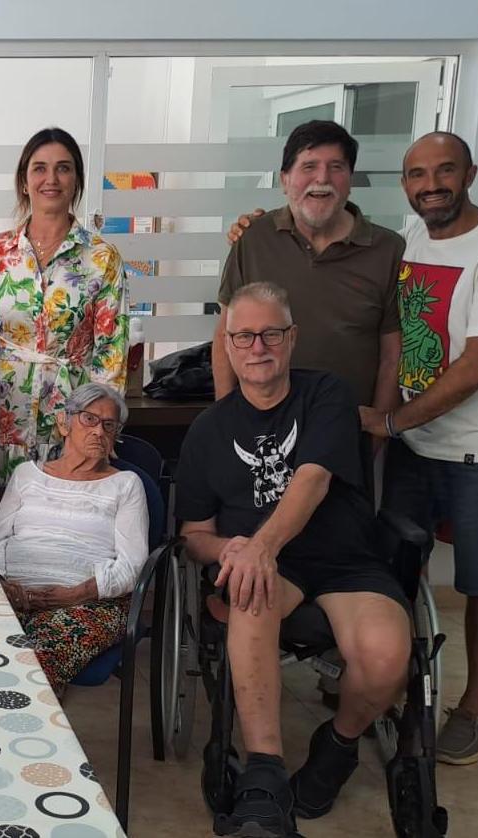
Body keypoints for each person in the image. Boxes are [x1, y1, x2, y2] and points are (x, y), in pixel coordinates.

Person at [176, 282, 411, 837]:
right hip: (267, 571)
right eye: (244, 336)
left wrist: (261, 545)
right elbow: (193, 535)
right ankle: (265, 777)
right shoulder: (209, 430)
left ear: (292, 338)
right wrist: (231, 549)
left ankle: (339, 744)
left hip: (345, 559)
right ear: (227, 345)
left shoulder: (326, 394)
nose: (257, 347)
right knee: (249, 589)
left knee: (386, 658)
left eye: (271, 334)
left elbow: (312, 479)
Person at [361, 132, 478, 765]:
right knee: (396, 567)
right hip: (416, 441)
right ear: (405, 183)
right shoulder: (411, 238)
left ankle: (474, 710)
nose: (430, 185)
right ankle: (386, 683)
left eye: (444, 171)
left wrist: (391, 421)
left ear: (470, 173)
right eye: (417, 174)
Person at [0, 127, 130, 486]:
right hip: (2, 416)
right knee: (2, 514)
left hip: (71, 421)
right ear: (24, 182)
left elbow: (111, 356)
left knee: (63, 511)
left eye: (63, 168)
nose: (51, 179)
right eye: (39, 168)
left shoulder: (102, 258)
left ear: (76, 180)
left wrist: (97, 430)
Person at [214, 121, 403, 416]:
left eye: (336, 167)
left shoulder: (388, 250)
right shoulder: (254, 240)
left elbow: (392, 356)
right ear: (284, 179)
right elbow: (225, 337)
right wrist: (225, 420)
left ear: (350, 180)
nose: (322, 178)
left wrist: (378, 431)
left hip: (347, 427)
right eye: (309, 166)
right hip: (260, 427)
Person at [0, 383, 147, 691]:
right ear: (64, 423)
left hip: (88, 604)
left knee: (31, 666)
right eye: (89, 419)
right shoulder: (26, 475)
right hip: (11, 596)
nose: (98, 431)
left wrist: (76, 594)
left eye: (109, 425)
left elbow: (132, 566)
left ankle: (21, 716)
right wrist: (3, 586)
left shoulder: (126, 485)